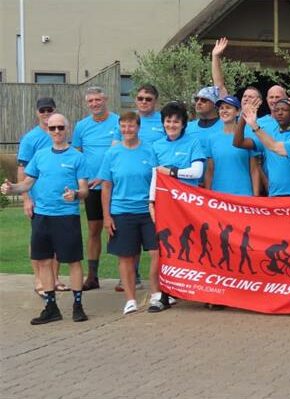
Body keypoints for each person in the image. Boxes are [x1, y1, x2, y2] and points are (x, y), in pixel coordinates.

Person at [2, 114, 90, 324]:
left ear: (67, 129)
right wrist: (12, 188)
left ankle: (78, 305)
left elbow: (85, 190)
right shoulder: (40, 156)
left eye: (61, 128)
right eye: (53, 128)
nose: (57, 132)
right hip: (42, 216)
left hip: (66, 217)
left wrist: (76, 195)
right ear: (48, 130)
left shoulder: (77, 157)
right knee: (43, 261)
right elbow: (27, 184)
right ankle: (51, 307)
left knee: (74, 261)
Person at [97, 112, 160, 315]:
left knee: (157, 253)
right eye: (123, 126)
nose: (127, 130)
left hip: (147, 212)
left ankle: (156, 294)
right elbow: (106, 187)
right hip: (121, 212)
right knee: (126, 257)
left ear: (138, 127)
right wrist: (107, 217)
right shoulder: (112, 154)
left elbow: (158, 182)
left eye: (131, 126)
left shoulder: (150, 151)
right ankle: (131, 299)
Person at [148, 101, 206, 312]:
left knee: (194, 246)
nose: (172, 124)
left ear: (183, 124)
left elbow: (197, 171)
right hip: (165, 206)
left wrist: (173, 172)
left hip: (189, 206)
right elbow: (155, 176)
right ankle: (165, 293)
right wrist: (151, 202)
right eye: (168, 121)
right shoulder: (157, 145)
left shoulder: (193, 142)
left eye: (176, 121)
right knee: (167, 249)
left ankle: (203, 291)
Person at [72, 86, 120, 291]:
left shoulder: (118, 122)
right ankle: (92, 276)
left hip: (114, 185)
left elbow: (121, 151)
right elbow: (76, 154)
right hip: (91, 186)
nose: (94, 104)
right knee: (94, 230)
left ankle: (128, 275)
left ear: (105, 99)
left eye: (97, 100)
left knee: (119, 230)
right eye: (90, 101)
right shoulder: (81, 126)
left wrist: (105, 175)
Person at [17, 97, 65, 295]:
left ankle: (54, 278)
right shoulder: (31, 138)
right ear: (37, 112)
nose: (46, 113)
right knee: (38, 240)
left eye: (49, 109)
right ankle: (39, 279)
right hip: (38, 199)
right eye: (42, 110)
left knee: (58, 241)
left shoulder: (59, 134)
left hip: (58, 200)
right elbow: (22, 169)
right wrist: (26, 198)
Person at [233, 99, 290, 196]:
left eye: (284, 110)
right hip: (274, 195)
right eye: (276, 110)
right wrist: (244, 116)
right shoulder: (267, 134)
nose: (280, 113)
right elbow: (238, 143)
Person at [203, 95, 260, 196]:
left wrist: (256, 197)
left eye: (228, 107)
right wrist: (208, 195)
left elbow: (254, 170)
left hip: (244, 195)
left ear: (238, 112)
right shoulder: (211, 139)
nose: (224, 111)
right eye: (221, 108)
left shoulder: (248, 136)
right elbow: (210, 170)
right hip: (219, 197)